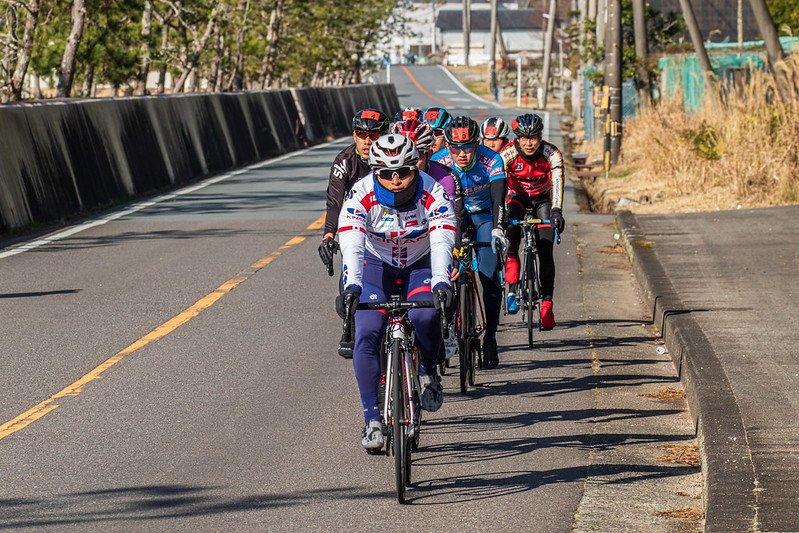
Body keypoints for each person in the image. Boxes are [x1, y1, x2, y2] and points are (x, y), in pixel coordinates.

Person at [337, 134, 457, 452]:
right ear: (374, 172)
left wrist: (442, 281)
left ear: (415, 169)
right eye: (386, 173)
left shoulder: (433, 191)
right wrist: (352, 287)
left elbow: (444, 238)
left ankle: (428, 371)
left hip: (421, 262)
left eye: (403, 171)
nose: (396, 180)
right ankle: (372, 419)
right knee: (367, 332)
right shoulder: (359, 194)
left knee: (426, 314)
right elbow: (350, 242)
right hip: (376, 265)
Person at [431, 115, 507, 369]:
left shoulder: (491, 159)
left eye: (467, 148)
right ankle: (447, 327)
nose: (461, 154)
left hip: (485, 216)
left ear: (477, 144)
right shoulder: (438, 161)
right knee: (446, 273)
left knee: (489, 275)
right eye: (455, 148)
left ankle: (491, 338)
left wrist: (497, 230)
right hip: (454, 217)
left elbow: (499, 199)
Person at [318, 108, 390, 358]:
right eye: (362, 134)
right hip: (358, 223)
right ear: (354, 135)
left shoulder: (394, 157)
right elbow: (334, 202)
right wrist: (329, 235)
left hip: (389, 225)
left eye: (375, 134)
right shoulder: (344, 161)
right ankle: (348, 324)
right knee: (350, 272)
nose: (368, 140)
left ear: (385, 134)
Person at [499, 113, 565, 329]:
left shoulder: (551, 153)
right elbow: (498, 183)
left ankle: (547, 304)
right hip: (516, 198)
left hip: (542, 200)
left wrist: (556, 211)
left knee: (545, 249)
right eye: (524, 138)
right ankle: (511, 288)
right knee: (512, 236)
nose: (529, 143)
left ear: (540, 137)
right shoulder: (506, 154)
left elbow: (557, 181)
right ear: (516, 138)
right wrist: (502, 212)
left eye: (534, 137)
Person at [389, 118, 464, 232]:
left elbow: (451, 220)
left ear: (429, 154)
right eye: (401, 155)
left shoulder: (446, 178)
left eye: (417, 155)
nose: (409, 164)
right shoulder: (376, 176)